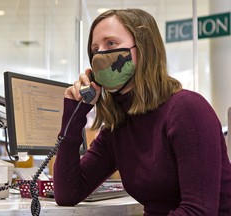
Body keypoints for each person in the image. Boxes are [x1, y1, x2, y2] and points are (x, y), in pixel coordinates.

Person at [53, 8, 231, 215]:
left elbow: (198, 212)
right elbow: (68, 193)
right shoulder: (118, 125)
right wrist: (74, 113)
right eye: (94, 49)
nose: (100, 54)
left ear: (144, 48)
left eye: (110, 43)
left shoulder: (187, 109)